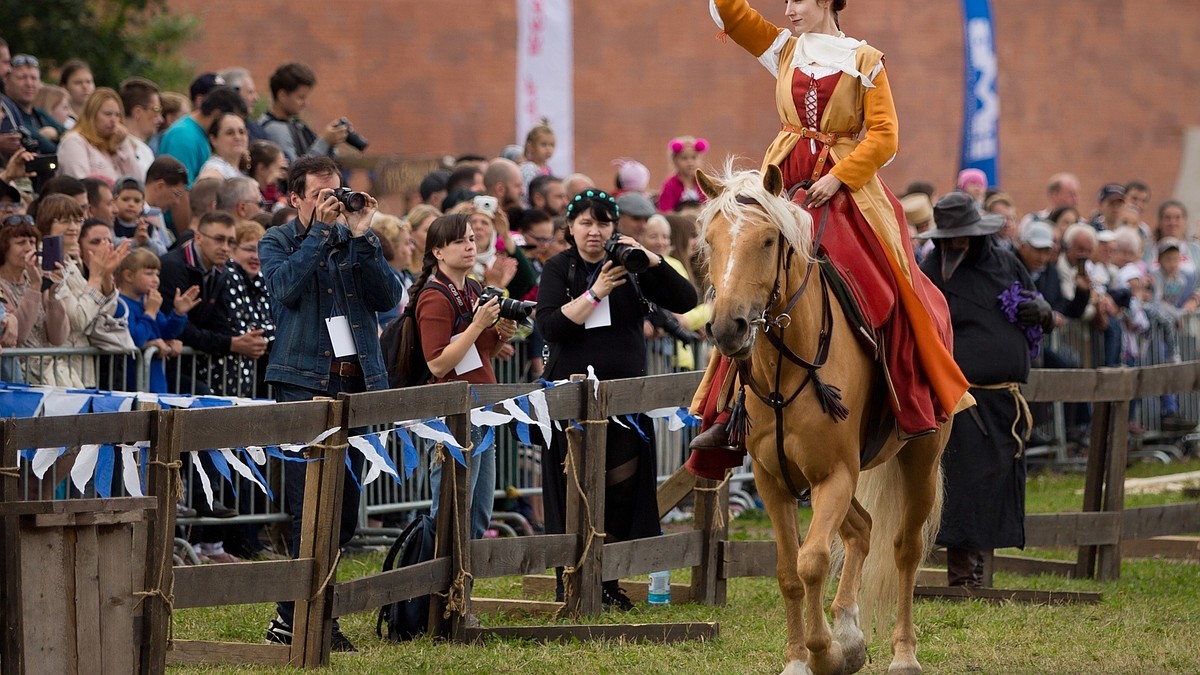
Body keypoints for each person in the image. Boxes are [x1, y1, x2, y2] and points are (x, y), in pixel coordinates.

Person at [687, 0, 972, 479]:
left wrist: (840, 177)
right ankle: (729, 411)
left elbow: (884, 137)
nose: (789, 9)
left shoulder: (865, 60)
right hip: (782, 186)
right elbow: (733, 16)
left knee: (886, 285)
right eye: (786, 1)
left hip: (847, 193)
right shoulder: (783, 49)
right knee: (746, 284)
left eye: (799, 0)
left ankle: (904, 399)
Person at [259, 155, 400, 651]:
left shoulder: (353, 240)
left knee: (345, 511)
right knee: (308, 508)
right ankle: (305, 620)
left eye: (335, 193)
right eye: (319, 195)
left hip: (357, 384)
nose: (330, 203)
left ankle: (301, 612)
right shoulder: (278, 240)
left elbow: (388, 298)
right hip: (303, 383)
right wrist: (318, 234)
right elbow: (284, 290)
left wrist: (363, 236)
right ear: (295, 197)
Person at [535, 189, 697, 608]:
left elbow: (686, 300)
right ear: (570, 228)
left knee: (620, 490)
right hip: (571, 401)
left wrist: (651, 259)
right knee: (573, 488)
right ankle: (568, 578)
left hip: (625, 402)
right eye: (586, 223)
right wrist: (596, 291)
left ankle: (608, 579)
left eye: (603, 223)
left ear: (614, 227)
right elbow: (551, 327)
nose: (594, 231)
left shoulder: (630, 265)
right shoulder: (559, 268)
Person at [918, 192, 1053, 588]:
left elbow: (1040, 307)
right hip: (961, 398)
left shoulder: (1007, 261)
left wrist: (1042, 314)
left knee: (992, 484)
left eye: (964, 235)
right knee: (963, 484)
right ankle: (962, 576)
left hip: (1003, 400)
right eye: (951, 237)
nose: (957, 243)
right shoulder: (931, 271)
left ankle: (977, 572)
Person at [412, 213, 518, 539]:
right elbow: (438, 364)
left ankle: (462, 583)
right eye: (459, 241)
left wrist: (502, 332)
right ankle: (432, 578)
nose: (470, 247)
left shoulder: (473, 286)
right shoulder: (434, 296)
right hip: (454, 413)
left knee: (479, 511)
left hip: (482, 406)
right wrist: (477, 324)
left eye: (472, 239)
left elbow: (482, 348)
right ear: (438, 251)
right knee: (450, 507)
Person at [115, 248, 198, 393]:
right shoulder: (121, 305)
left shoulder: (148, 303)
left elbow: (167, 332)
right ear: (128, 275)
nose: (156, 280)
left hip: (156, 384)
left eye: (157, 274)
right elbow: (136, 339)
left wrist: (178, 314)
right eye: (149, 274)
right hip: (132, 387)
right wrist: (150, 313)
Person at [0, 214, 68, 382]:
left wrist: (53, 292)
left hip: (48, 372)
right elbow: (18, 335)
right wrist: (35, 287)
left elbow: (58, 337)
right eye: (21, 243)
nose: (29, 248)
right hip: (20, 375)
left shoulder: (35, 278)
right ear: (4, 248)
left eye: (32, 242)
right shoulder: (3, 285)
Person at [215, 220, 275, 397]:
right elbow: (241, 327)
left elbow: (267, 325)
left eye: (260, 250)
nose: (256, 256)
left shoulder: (262, 281)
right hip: (224, 373)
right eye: (249, 249)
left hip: (248, 376)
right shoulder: (229, 276)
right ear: (232, 250)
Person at [158, 86, 247, 188]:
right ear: (216, 114)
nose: (237, 136)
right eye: (230, 129)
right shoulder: (183, 137)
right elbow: (178, 190)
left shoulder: (199, 133)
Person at [259, 62, 349, 163]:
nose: (305, 103)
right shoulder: (274, 129)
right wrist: (324, 141)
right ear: (282, 95)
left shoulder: (295, 124)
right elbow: (295, 170)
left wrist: (331, 141)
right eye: (301, 97)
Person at [57, 88, 143, 183]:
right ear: (92, 115)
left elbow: (138, 181)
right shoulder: (74, 141)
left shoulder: (117, 145)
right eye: (108, 114)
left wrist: (122, 144)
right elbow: (80, 183)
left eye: (118, 115)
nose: (114, 121)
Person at [1, 54, 64, 153]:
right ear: (6, 82)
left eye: (34, 78)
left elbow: (72, 134)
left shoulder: (40, 114)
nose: (29, 84)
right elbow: (51, 149)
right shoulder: (8, 115)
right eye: (22, 78)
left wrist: (56, 133)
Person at [118, 77, 164, 177]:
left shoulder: (145, 151)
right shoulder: (119, 146)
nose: (161, 119)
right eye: (156, 110)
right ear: (137, 112)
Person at [657, 136, 708, 213]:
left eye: (694, 158)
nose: (690, 162)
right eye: (684, 158)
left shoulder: (704, 183)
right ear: (674, 161)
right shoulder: (670, 185)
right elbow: (665, 211)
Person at [197, 113, 250, 181]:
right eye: (230, 133)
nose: (237, 137)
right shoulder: (213, 171)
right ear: (213, 139)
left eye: (242, 132)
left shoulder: (236, 169)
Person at [248, 140, 288, 208]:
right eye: (279, 169)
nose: (282, 175)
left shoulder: (278, 195)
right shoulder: (250, 200)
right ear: (262, 169)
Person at [519, 119, 556, 192]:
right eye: (543, 145)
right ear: (530, 146)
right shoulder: (528, 169)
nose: (548, 149)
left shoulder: (547, 169)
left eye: (552, 145)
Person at [58, 59, 95, 129]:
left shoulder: (100, 117)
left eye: (89, 82)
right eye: (78, 82)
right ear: (64, 87)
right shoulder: (60, 120)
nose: (85, 87)